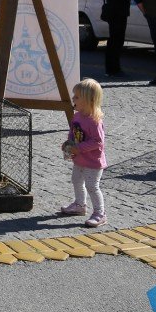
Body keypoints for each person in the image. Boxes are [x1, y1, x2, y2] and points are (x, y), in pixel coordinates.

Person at [59, 79, 108, 228]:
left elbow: (98, 142)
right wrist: (69, 144)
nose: (73, 99)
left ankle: (100, 213)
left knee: (92, 186)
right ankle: (80, 205)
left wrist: (79, 148)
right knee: (76, 180)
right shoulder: (77, 116)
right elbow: (73, 131)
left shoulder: (94, 121)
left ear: (88, 100)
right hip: (80, 159)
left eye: (77, 97)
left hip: (93, 162)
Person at [100, 0, 133, 77]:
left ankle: (111, 68)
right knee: (116, 42)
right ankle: (114, 69)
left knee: (113, 41)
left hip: (114, 12)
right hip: (118, 13)